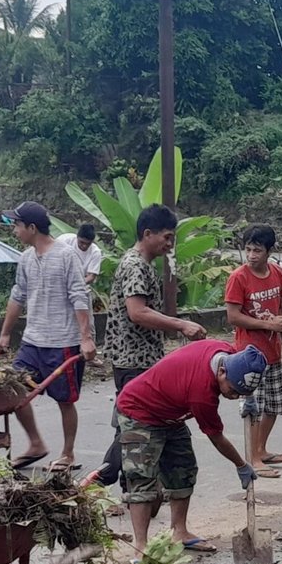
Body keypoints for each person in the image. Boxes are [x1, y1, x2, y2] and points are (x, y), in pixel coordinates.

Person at [83, 204, 206, 489]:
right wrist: (180, 325)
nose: (170, 243)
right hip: (133, 359)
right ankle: (98, 480)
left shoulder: (142, 264)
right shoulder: (136, 265)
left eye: (172, 237)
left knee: (132, 421)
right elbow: (137, 312)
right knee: (135, 425)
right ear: (147, 233)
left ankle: (130, 484)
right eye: (166, 237)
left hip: (141, 358)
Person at [114, 341, 266, 555]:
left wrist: (248, 396)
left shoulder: (232, 356)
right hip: (139, 410)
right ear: (222, 371)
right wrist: (240, 464)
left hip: (172, 414)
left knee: (183, 470)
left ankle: (180, 531)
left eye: (241, 393)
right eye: (233, 390)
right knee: (142, 478)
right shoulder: (202, 393)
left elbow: (245, 374)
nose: (234, 396)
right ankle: (141, 546)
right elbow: (216, 438)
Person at [0, 201, 97, 472]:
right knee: (13, 391)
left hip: (63, 342)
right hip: (32, 341)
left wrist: (85, 338)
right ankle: (36, 443)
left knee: (64, 400)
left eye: (17, 225)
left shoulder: (65, 256)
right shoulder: (26, 258)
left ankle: (68, 453)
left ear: (32, 227)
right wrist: (5, 335)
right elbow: (17, 297)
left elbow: (78, 296)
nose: (14, 230)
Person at [224, 225, 282, 477]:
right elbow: (233, 317)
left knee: (273, 405)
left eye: (257, 250)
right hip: (248, 357)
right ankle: (252, 458)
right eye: (248, 249)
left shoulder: (278, 274)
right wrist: (268, 324)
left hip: (273, 352)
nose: (252, 255)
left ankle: (261, 449)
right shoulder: (238, 278)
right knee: (253, 408)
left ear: (269, 251)